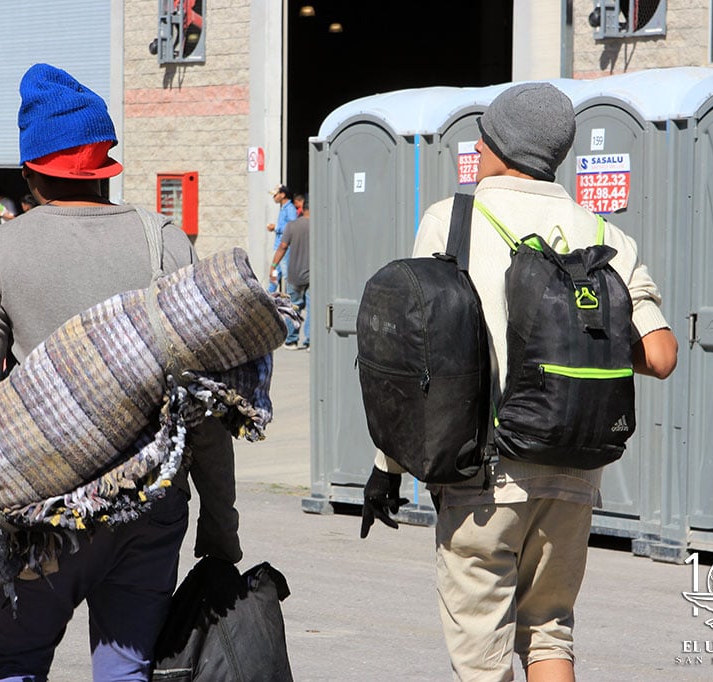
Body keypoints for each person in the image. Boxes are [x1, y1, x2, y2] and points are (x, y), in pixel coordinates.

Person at [359, 83, 678, 682]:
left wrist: (388, 468)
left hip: (483, 473)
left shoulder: (450, 222)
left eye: (482, 138)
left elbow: (415, 365)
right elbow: (660, 356)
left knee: (481, 659)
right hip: (574, 471)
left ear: (499, 147)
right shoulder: (604, 235)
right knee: (551, 631)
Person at [0, 63, 241, 682]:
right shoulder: (164, 241)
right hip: (147, 509)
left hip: (37, 514)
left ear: (30, 173)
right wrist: (220, 522)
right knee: (127, 671)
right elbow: (204, 403)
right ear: (106, 166)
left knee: (17, 665)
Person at [270, 196, 310, 349]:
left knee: (293, 306)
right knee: (312, 308)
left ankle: (291, 340)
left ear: (303, 208)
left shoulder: (292, 226)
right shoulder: (320, 225)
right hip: (313, 274)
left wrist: (273, 265)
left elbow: (282, 247)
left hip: (294, 274)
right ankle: (309, 342)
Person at [265, 183, 296, 293]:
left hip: (285, 249)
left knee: (287, 276)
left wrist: (276, 227)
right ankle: (268, 296)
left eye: (275, 195)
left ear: (282, 195)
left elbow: (292, 227)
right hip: (279, 246)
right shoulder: (283, 208)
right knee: (275, 275)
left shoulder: (290, 209)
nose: (274, 197)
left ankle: (292, 301)